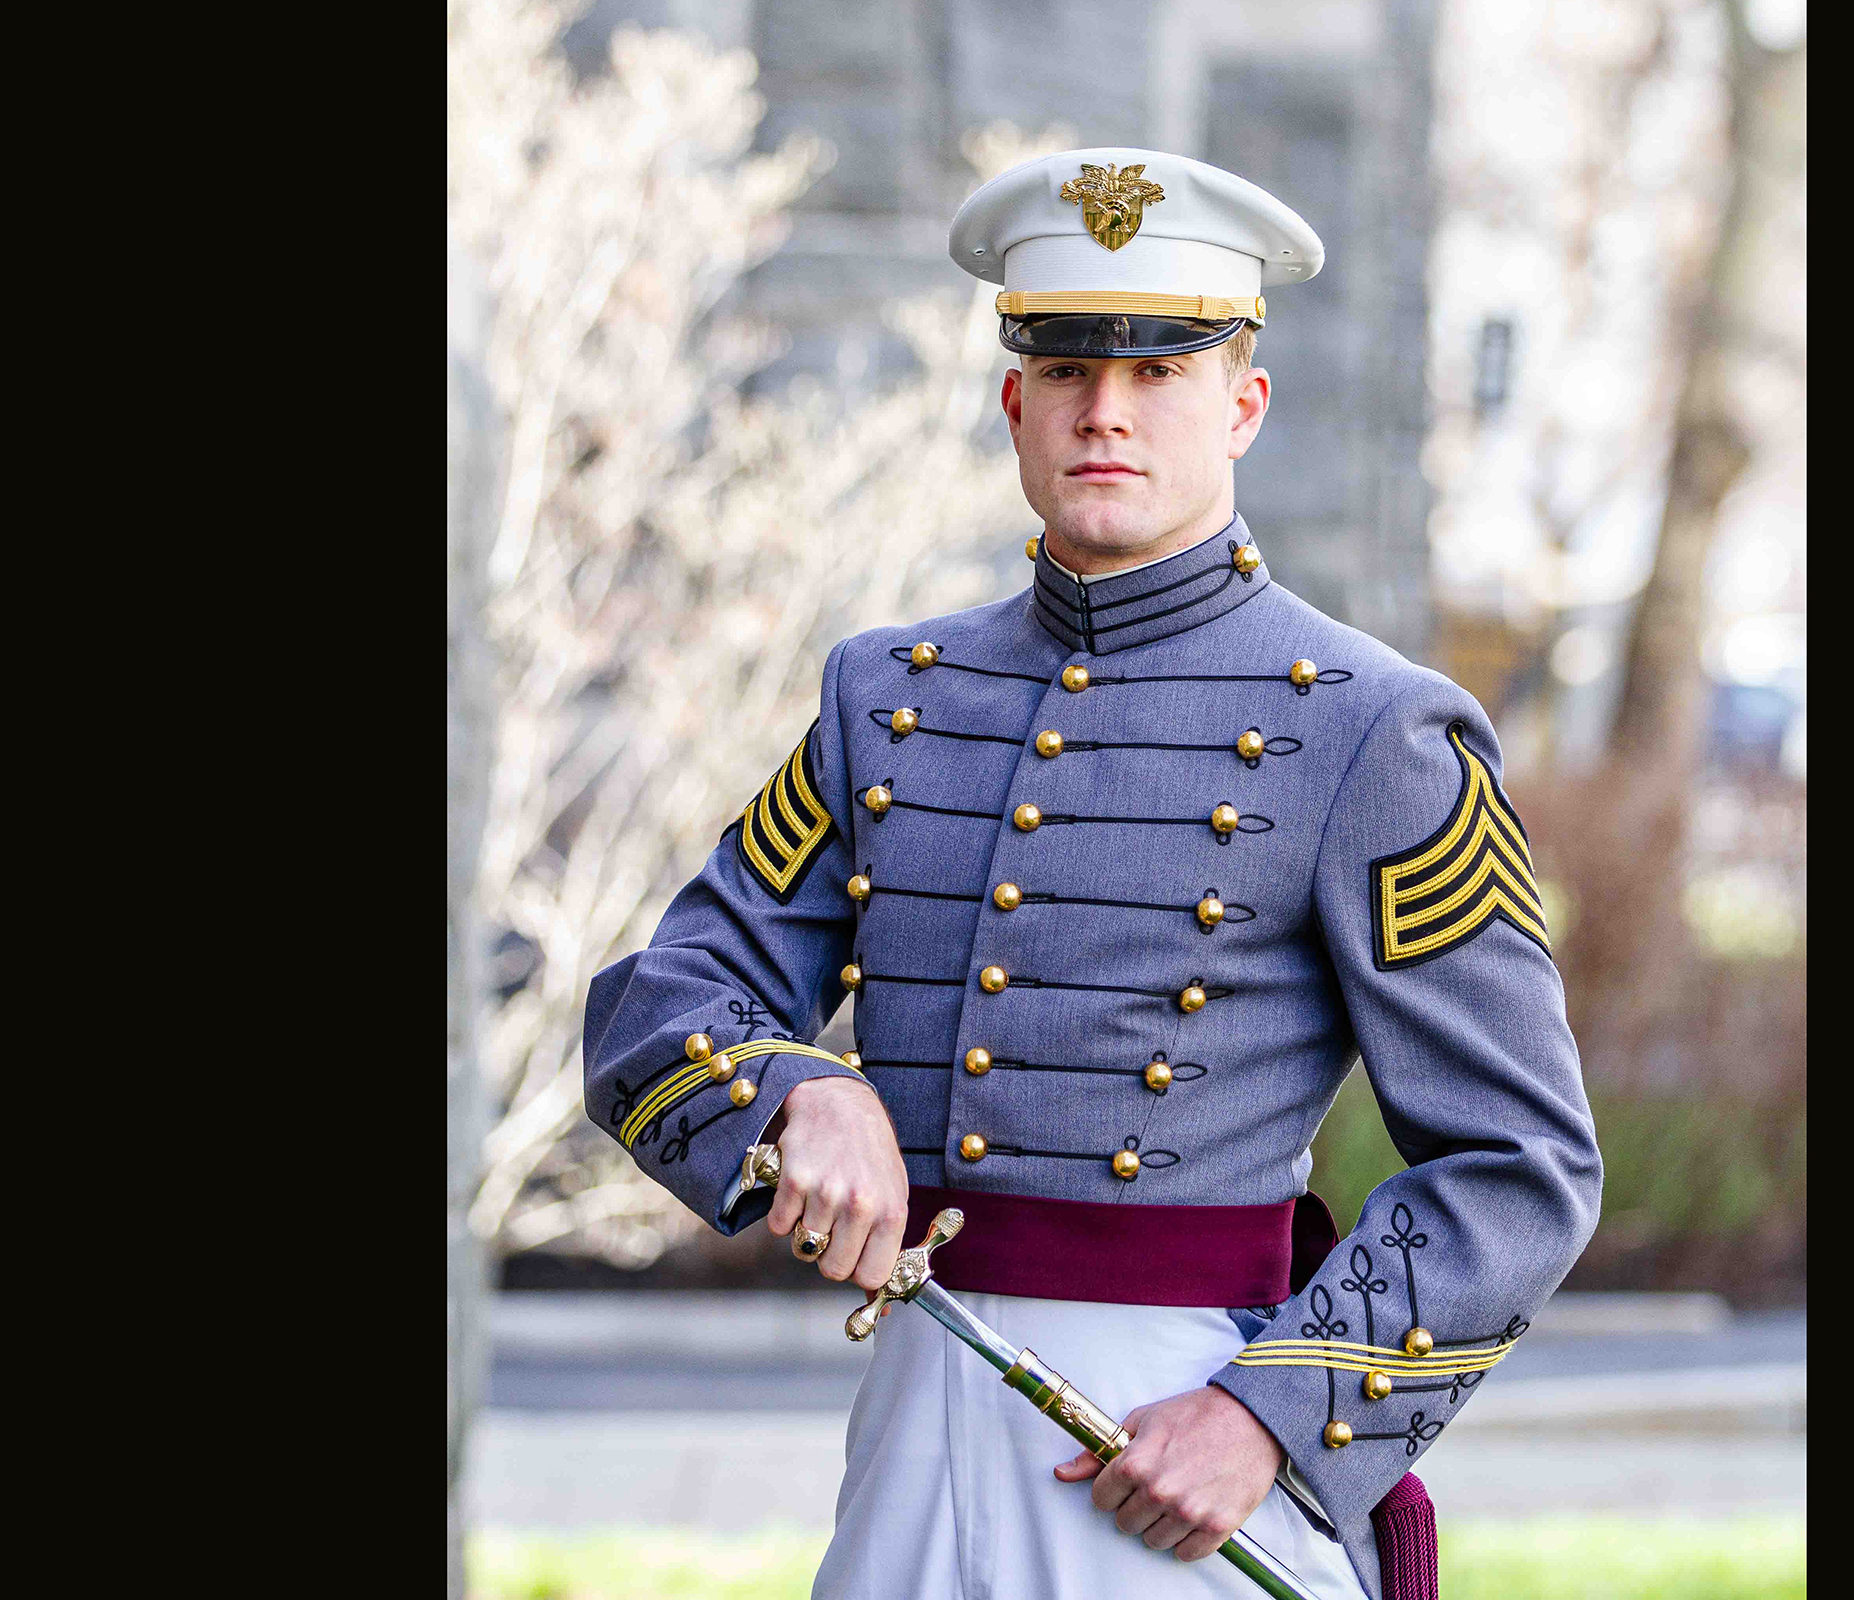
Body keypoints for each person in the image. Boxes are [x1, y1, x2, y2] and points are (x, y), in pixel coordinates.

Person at [583, 147, 1602, 1600]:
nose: (1105, 408)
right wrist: (796, 1088)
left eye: (1162, 369)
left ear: (1245, 402)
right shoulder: (890, 698)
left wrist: (1274, 1417)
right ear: (1015, 401)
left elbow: (1524, 1167)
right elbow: (657, 1002)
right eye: (1064, 367)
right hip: (916, 1418)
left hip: (1181, 1449)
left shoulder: (1377, 727)